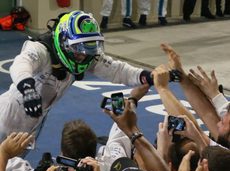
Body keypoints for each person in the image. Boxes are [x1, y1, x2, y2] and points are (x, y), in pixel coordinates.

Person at [0, 10, 154, 147]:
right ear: (64, 42)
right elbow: (21, 64)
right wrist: (27, 88)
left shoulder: (83, 57)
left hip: (35, 120)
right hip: (9, 115)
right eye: (78, 50)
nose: (83, 56)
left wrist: (145, 76)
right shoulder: (40, 49)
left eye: (88, 49)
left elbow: (116, 70)